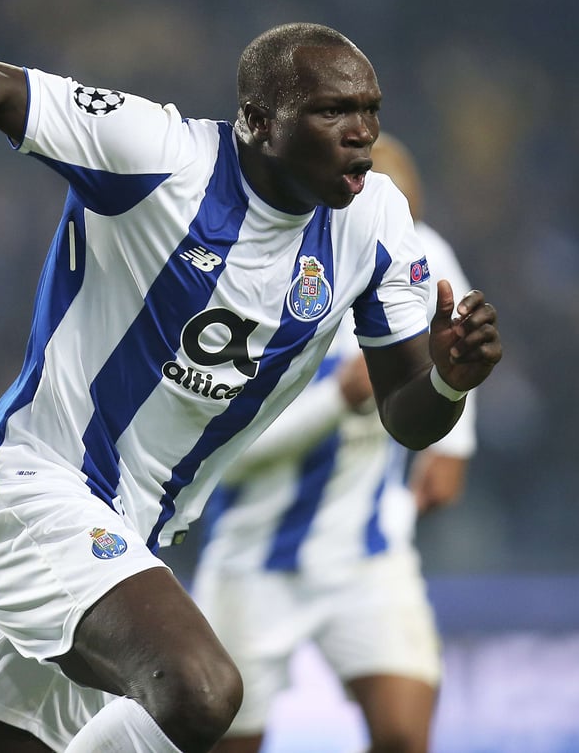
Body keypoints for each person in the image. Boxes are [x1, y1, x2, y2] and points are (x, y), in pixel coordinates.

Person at [0, 23, 501, 753]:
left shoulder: (377, 221)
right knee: (200, 690)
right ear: (258, 123)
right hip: (28, 490)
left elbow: (405, 414)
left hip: (128, 536)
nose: (361, 133)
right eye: (332, 111)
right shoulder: (157, 153)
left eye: (370, 110)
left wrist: (449, 382)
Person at [191, 133, 476, 753]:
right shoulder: (250, 270)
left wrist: (453, 443)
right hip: (252, 559)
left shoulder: (417, 257)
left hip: (365, 555)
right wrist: (335, 402)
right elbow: (221, 456)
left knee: (403, 734)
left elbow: (453, 341)